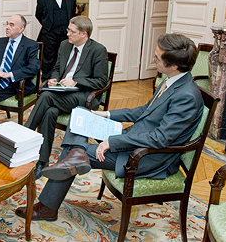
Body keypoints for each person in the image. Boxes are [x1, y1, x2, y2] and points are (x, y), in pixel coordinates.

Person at [15, 33, 203, 221]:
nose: (153, 60)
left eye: (157, 58)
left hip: (146, 155)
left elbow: (160, 139)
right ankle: (77, 153)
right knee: (81, 114)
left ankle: (47, 207)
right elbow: (145, 111)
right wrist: (106, 114)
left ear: (175, 66)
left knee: (70, 153)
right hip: (134, 137)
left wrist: (111, 142)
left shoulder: (186, 96)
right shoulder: (172, 81)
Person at [25, 16, 108, 179]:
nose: (67, 33)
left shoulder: (98, 50)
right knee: (49, 113)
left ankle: (26, 133)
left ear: (84, 34)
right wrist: (53, 79)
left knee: (47, 96)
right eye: (68, 30)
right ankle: (42, 161)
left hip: (82, 95)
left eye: (72, 31)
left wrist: (76, 81)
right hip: (61, 93)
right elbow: (57, 68)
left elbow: (101, 81)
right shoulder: (64, 45)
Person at [36, 0, 77, 81]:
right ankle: (46, 82)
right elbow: (38, 15)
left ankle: (63, 80)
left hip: (66, 34)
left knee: (65, 57)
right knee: (48, 59)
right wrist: (48, 25)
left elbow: (72, 14)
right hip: (49, 34)